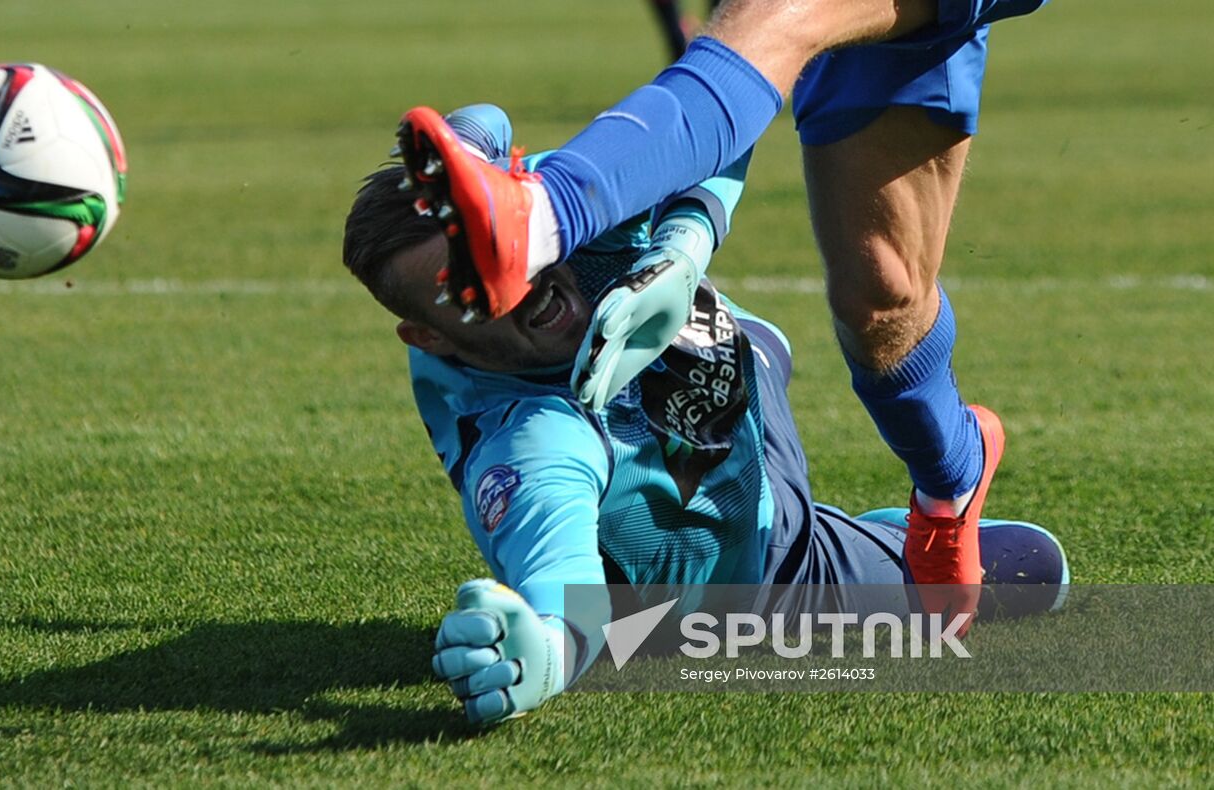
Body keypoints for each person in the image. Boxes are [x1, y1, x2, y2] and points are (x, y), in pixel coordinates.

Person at [346, 107, 1068, 725]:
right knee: (1038, 569)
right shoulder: (534, 442)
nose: (512, 281)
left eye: (489, 248)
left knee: (758, 343)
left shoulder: (539, 221)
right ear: (430, 338)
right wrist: (543, 649)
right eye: (463, 290)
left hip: (739, 381)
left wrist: (682, 244)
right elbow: (566, 585)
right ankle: (869, 536)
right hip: (775, 569)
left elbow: (720, 118)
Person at [391, 0, 1050, 628]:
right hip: (731, 432)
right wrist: (683, 247)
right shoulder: (525, 430)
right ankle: (952, 479)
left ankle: (546, 214)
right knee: (883, 294)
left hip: (737, 418)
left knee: (771, 22)